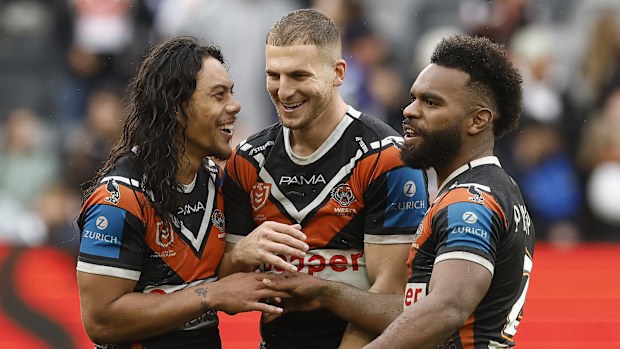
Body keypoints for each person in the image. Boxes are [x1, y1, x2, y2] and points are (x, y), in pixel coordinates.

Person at [266, 34, 536, 349]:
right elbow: (418, 308)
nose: (409, 111)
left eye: (431, 102)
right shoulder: (493, 187)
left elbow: (446, 308)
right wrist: (325, 292)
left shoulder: (469, 200)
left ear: (478, 120)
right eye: (414, 98)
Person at [219, 9, 428, 349]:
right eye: (274, 75)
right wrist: (241, 254)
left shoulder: (386, 159)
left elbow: (397, 305)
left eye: (299, 75)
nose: (284, 91)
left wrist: (324, 292)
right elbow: (223, 294)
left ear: (338, 72)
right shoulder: (248, 160)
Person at [76, 36, 291, 349]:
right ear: (177, 107)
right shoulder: (120, 198)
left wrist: (242, 257)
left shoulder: (219, 183)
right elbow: (101, 321)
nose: (235, 105)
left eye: (231, 92)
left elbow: (203, 280)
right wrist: (212, 295)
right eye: (218, 95)